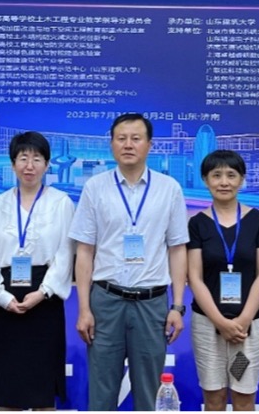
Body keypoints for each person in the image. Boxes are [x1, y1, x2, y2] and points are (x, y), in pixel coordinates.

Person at [69, 113, 189, 411]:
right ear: (111, 144)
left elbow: (177, 249)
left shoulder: (169, 188)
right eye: (121, 138)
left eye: (136, 138)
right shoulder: (95, 187)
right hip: (106, 301)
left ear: (149, 145)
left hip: (152, 303)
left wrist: (177, 306)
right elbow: (84, 251)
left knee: (149, 393)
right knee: (102, 392)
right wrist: (84, 309)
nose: (128, 144)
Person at [0, 131, 75, 410]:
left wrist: (43, 292)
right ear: (13, 164)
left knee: (43, 389)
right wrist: (1, 297)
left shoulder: (61, 202)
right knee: (8, 388)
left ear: (47, 164)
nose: (29, 166)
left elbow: (64, 255)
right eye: (23, 158)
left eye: (37, 159)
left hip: (45, 299)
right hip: (6, 299)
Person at [187, 150, 259, 411]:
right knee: (214, 397)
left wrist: (243, 320)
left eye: (231, 175)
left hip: (247, 328)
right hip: (208, 325)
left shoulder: (257, 220)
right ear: (205, 180)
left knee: (243, 396)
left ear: (242, 179)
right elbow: (195, 277)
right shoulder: (197, 223)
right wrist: (221, 322)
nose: (224, 182)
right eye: (216, 175)